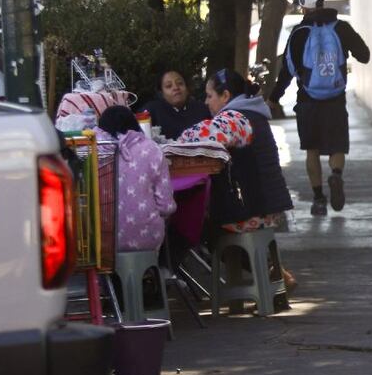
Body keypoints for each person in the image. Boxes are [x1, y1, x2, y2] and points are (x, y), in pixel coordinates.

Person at [269, 0, 370, 217]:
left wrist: (274, 98)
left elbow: (287, 71)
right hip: (335, 99)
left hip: (308, 100)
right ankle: (336, 174)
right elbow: (364, 55)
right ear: (324, 4)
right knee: (337, 145)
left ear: (303, 7)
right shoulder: (341, 27)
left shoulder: (298, 33)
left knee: (311, 150)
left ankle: (318, 199)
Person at [181, 68, 294, 233]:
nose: (206, 102)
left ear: (225, 96)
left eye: (210, 96)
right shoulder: (251, 113)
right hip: (270, 205)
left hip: (256, 211)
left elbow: (197, 135)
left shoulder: (236, 119)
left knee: (194, 220)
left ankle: (222, 258)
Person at [96, 106, 176, 252]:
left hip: (102, 241)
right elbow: (166, 206)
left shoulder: (93, 151)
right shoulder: (152, 149)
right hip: (148, 240)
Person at [142, 70, 211, 140]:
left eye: (180, 83)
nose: (176, 88)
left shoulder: (202, 109)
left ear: (187, 88)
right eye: (169, 86)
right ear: (161, 93)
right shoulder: (152, 110)